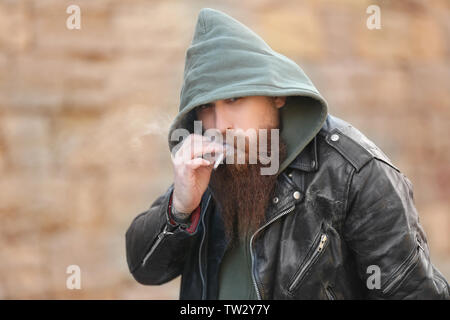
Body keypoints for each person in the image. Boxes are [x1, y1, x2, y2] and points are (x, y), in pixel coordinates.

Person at [125, 8, 450, 299]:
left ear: (276, 95)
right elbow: (146, 269)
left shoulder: (354, 171)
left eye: (235, 99)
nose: (220, 125)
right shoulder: (208, 172)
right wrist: (180, 209)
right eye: (207, 107)